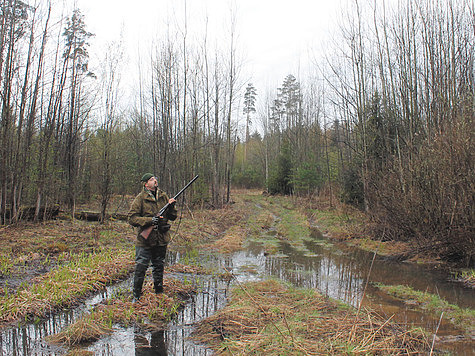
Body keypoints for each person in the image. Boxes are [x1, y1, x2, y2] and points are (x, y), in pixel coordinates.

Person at [128, 173, 177, 300]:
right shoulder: (140, 199)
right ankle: (136, 296)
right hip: (145, 240)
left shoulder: (163, 196)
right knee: (141, 267)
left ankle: (159, 293)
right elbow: (132, 218)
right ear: (145, 184)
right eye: (151, 179)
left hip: (161, 238)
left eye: (154, 178)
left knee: (159, 265)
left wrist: (171, 207)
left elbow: (172, 217)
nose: (155, 180)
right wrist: (151, 220)